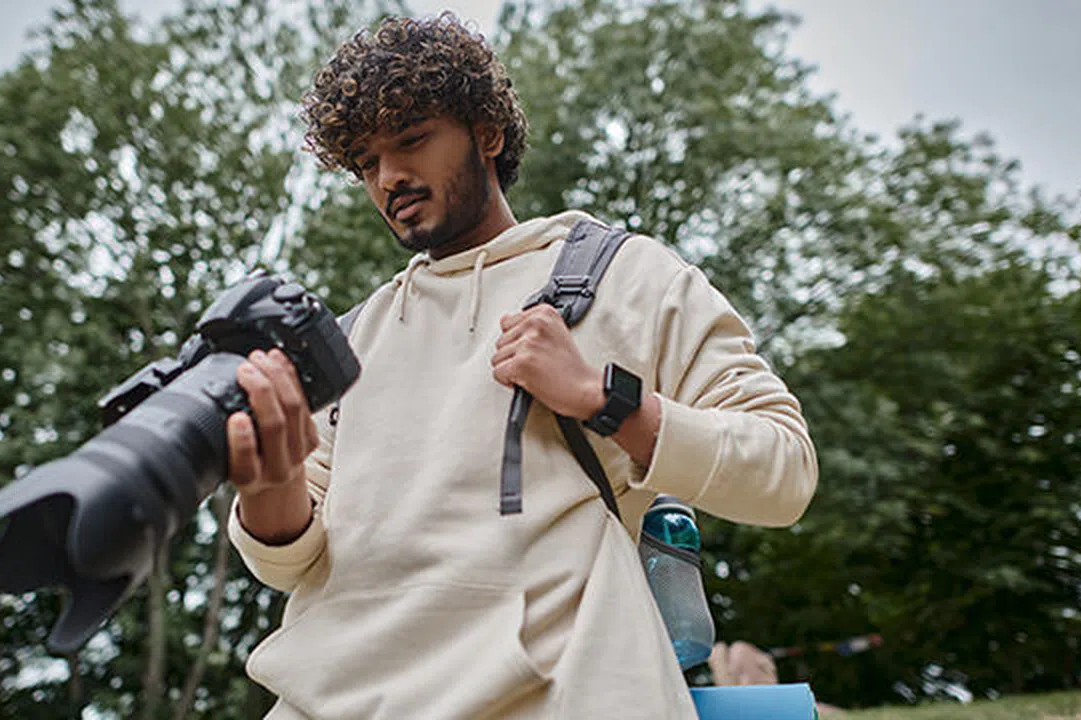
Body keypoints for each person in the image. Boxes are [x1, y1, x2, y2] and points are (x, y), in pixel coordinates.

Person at [223, 13, 818, 719]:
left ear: (488, 133)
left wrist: (604, 398)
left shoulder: (626, 275)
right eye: (365, 162)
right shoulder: (351, 342)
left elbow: (784, 470)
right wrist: (269, 484)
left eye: (411, 139)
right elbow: (289, 562)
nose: (389, 178)